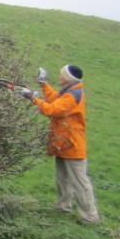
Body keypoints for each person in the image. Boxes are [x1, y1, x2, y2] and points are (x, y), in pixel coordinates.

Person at [21, 65, 100, 224]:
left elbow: (52, 110)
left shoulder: (73, 95)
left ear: (68, 78)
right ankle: (63, 207)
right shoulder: (69, 91)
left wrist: (33, 99)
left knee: (79, 183)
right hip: (63, 144)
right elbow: (55, 98)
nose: (59, 76)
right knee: (62, 179)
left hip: (72, 145)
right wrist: (44, 84)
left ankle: (90, 217)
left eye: (62, 75)